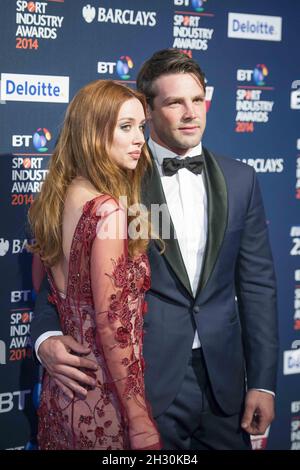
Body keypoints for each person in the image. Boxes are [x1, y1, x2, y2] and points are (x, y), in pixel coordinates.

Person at [31, 49, 279, 450]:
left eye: (197, 100)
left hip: (225, 383)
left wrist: (265, 382)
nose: (190, 113)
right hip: (148, 383)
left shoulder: (242, 179)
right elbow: (65, 275)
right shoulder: (115, 178)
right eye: (175, 102)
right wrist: (45, 336)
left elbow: (257, 286)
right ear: (148, 108)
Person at [28, 79, 161, 450]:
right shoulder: (107, 210)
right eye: (126, 127)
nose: (139, 139)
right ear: (93, 132)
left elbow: (51, 287)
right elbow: (113, 326)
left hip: (63, 393)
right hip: (104, 397)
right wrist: (138, 420)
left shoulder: (56, 199)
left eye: (141, 127)